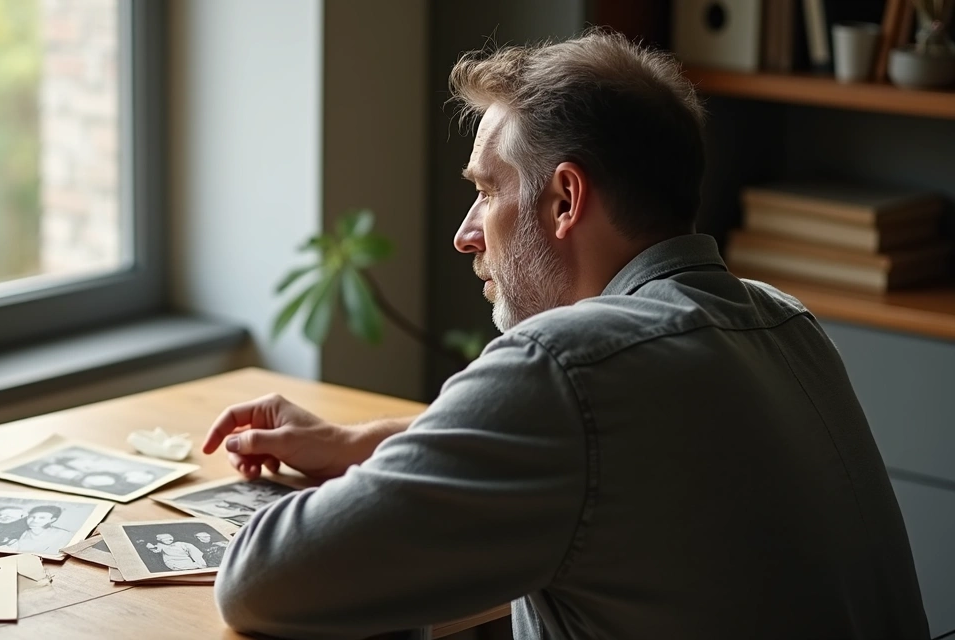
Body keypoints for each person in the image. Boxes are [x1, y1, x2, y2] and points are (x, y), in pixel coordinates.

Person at [203, 30, 929, 640]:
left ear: (564, 199)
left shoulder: (566, 365)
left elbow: (262, 581)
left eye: (487, 191)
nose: (466, 234)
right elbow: (612, 453)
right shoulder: (781, 322)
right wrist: (365, 445)